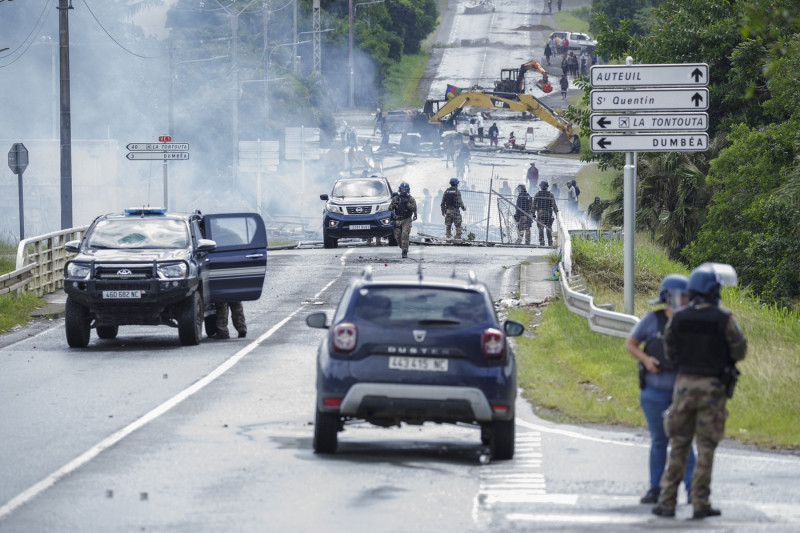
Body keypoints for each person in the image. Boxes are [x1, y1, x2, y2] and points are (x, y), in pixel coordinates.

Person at [653, 265, 747, 520]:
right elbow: (740, 351)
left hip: (683, 386)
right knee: (706, 447)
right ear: (713, 290)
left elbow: (669, 350)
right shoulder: (724, 318)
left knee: (678, 444)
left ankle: (666, 502)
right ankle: (700, 503)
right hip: (712, 388)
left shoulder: (679, 318)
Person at [625, 275, 696, 506]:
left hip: (682, 393)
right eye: (681, 295)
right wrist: (646, 361)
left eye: (687, 295)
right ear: (669, 297)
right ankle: (655, 488)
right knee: (659, 441)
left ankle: (693, 490)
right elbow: (631, 344)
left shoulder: (693, 323)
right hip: (654, 393)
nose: (685, 299)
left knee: (683, 441)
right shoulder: (652, 320)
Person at [390, 182, 417, 258]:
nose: (404, 191)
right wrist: (394, 205)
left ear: (408, 190)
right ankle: (403, 247)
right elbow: (390, 208)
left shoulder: (411, 199)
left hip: (407, 219)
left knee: (404, 235)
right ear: (400, 189)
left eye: (405, 190)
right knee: (397, 236)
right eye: (402, 189)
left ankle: (404, 251)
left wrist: (407, 204)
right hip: (398, 220)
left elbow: (414, 208)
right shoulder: (396, 198)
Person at [533, 180, 558, 246]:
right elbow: (554, 205)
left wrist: (532, 213)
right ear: (547, 187)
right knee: (548, 228)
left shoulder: (537, 194)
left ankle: (542, 242)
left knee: (541, 229)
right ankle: (550, 242)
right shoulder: (550, 194)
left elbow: (534, 205)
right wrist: (557, 214)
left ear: (541, 186)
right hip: (548, 214)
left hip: (540, 214)